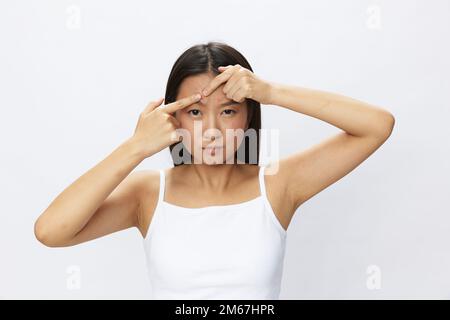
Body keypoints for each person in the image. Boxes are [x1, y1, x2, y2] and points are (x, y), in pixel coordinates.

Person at [34, 41, 395, 299]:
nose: (212, 130)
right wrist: (135, 147)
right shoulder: (147, 194)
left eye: (228, 111)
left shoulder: (279, 184)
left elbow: (377, 125)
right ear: (173, 116)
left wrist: (270, 91)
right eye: (195, 112)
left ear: (248, 115)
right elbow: (51, 231)